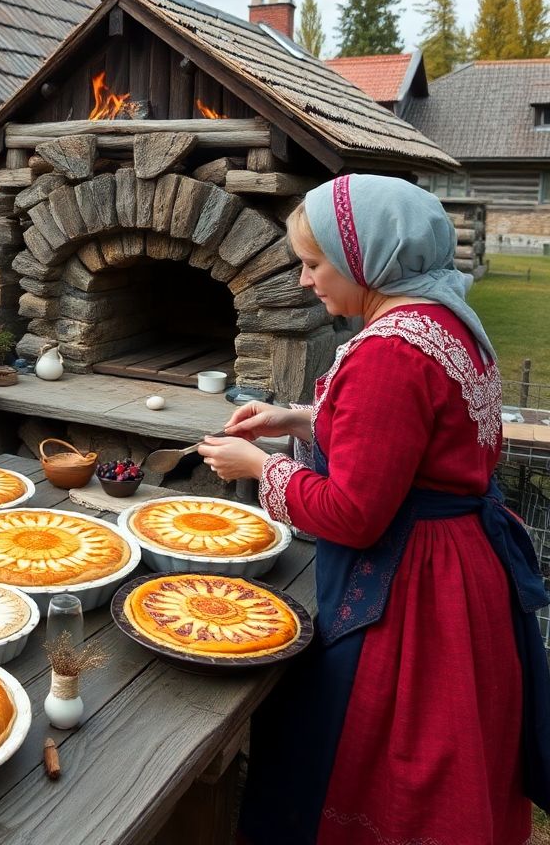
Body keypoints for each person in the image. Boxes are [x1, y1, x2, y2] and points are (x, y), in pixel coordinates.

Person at [198, 174, 550, 845]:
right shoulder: (444, 321)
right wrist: (297, 420)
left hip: (411, 591)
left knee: (391, 765)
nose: (304, 281)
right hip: (465, 570)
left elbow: (354, 511)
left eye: (313, 262)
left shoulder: (388, 352)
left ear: (370, 261)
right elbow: (412, 445)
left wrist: (259, 467)